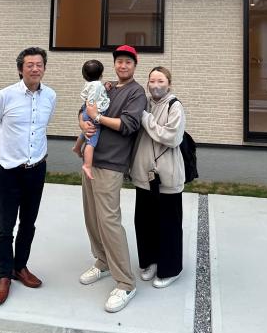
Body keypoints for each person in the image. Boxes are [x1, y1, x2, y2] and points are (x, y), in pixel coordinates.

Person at [0, 47, 57, 306]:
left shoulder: (50, 96)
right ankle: (4, 275)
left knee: (28, 223)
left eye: (39, 64)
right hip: (9, 171)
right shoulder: (5, 96)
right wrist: (8, 148)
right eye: (30, 65)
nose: (35, 68)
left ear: (44, 68)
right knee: (5, 226)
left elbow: (42, 127)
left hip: (36, 169)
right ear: (20, 69)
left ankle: (20, 267)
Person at [77, 45, 146, 313]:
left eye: (128, 62)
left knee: (109, 221)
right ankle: (103, 261)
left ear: (134, 65)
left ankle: (126, 282)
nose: (123, 65)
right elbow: (84, 109)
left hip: (112, 163)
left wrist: (98, 117)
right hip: (91, 160)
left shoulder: (136, 93)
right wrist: (84, 123)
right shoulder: (106, 87)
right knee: (92, 216)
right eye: (119, 61)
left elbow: (128, 125)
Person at [130, 66, 186, 288]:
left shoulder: (175, 106)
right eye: (152, 81)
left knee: (169, 225)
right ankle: (150, 261)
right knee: (145, 222)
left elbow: (172, 137)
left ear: (169, 84)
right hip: (143, 175)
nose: (155, 85)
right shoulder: (143, 103)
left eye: (160, 81)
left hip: (168, 177)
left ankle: (170, 269)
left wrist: (145, 118)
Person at [72, 59, 109, 180]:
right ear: (101, 74)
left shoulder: (88, 84)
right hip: (93, 112)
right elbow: (94, 96)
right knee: (92, 142)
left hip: (86, 110)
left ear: (84, 76)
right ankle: (87, 165)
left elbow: (87, 95)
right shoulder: (97, 85)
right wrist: (93, 111)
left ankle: (77, 147)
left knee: (86, 132)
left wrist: (104, 88)